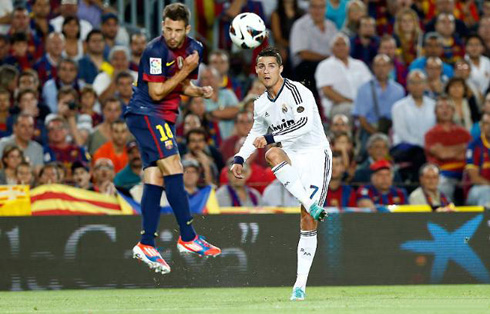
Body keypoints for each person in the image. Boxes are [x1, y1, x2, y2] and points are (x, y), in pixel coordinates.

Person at [124, 3, 221, 275]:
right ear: (163, 26)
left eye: (178, 30)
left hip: (162, 118)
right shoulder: (154, 50)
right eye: (168, 29)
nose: (172, 35)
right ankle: (188, 237)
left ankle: (146, 243)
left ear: (187, 29)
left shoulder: (196, 49)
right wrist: (184, 70)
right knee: (175, 166)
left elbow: (182, 85)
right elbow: (156, 92)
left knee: (155, 175)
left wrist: (199, 91)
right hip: (145, 112)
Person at [231, 47, 331, 301]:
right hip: (291, 153)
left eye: (271, 66)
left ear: (281, 68)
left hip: (316, 154)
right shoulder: (261, 103)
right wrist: (240, 157)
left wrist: (271, 137)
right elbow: (255, 133)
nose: (266, 71)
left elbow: (305, 124)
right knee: (271, 154)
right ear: (256, 70)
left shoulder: (299, 91)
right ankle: (311, 204)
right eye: (261, 66)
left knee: (307, 220)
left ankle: (300, 286)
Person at [315, 33, 371, 120]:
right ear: (331, 48)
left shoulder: (359, 65)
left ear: (349, 47)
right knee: (351, 109)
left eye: (344, 44)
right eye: (337, 45)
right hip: (337, 106)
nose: (341, 48)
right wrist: (351, 103)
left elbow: (370, 86)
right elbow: (327, 91)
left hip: (361, 105)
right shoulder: (325, 66)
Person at [465, 112, 490, 207]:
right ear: (481, 126)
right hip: (477, 189)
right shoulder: (474, 145)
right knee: (487, 193)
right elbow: (474, 178)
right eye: (487, 123)